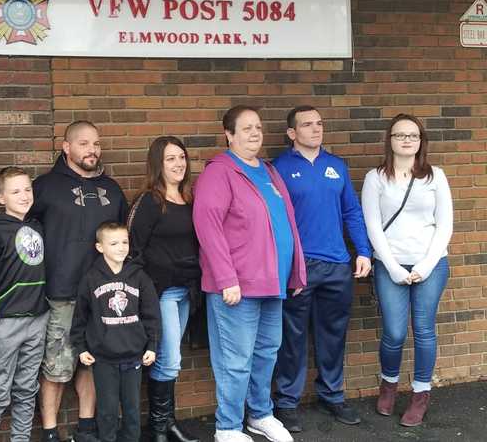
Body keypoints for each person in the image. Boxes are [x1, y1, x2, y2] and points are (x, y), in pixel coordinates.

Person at [193, 105, 306, 442]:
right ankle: (227, 426)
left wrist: (296, 272)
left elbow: (287, 224)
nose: (254, 133)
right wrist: (226, 278)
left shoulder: (269, 171)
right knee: (235, 359)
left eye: (258, 127)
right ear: (229, 134)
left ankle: (260, 415)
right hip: (237, 287)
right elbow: (207, 227)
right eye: (246, 129)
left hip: (272, 283)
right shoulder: (220, 172)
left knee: (266, 353)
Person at [271, 106, 372, 432]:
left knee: (333, 335)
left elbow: (352, 213)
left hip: (337, 266)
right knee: (293, 337)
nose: (316, 129)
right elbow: (274, 222)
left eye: (319, 124)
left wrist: (363, 252)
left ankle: (332, 394)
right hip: (299, 267)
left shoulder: (336, 166)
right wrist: (286, 266)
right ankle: (287, 402)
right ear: (292, 133)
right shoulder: (279, 168)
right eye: (307, 125)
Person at [30, 120, 128, 442]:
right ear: (66, 147)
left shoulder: (112, 190)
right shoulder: (45, 188)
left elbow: (124, 241)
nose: (92, 150)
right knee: (57, 366)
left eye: (96, 144)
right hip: (61, 293)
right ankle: (49, 432)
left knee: (92, 363)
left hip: (102, 294)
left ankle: (87, 428)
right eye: (84, 144)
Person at [361, 113, 453, 427]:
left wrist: (426, 266)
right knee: (395, 332)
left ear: (420, 141)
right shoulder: (375, 178)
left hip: (431, 263)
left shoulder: (435, 176)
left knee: (424, 330)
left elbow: (445, 225)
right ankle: (388, 385)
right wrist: (393, 267)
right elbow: (372, 226)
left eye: (413, 135)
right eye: (400, 135)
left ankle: (420, 394)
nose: (407, 140)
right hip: (391, 265)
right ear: (390, 140)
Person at [127, 136, 200, 442]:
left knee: (170, 357)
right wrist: (145, 292)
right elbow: (132, 250)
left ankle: (166, 423)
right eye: (170, 159)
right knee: (168, 358)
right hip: (161, 293)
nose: (178, 164)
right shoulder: (149, 201)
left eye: (181, 157)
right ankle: (159, 428)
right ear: (158, 163)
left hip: (187, 291)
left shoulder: (190, 198)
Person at [0, 167, 49, 442]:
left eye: (27, 189)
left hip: (37, 319)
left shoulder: (37, 226)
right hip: (5, 323)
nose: (24, 195)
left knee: (27, 389)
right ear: (0, 197)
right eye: (15, 191)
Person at [70, 221, 161, 442]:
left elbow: (152, 315)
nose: (121, 247)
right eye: (114, 243)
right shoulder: (91, 278)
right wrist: (81, 347)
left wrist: (152, 345)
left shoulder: (139, 277)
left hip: (133, 355)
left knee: (131, 410)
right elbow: (81, 316)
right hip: (103, 358)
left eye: (124, 242)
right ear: (100, 247)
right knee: (107, 410)